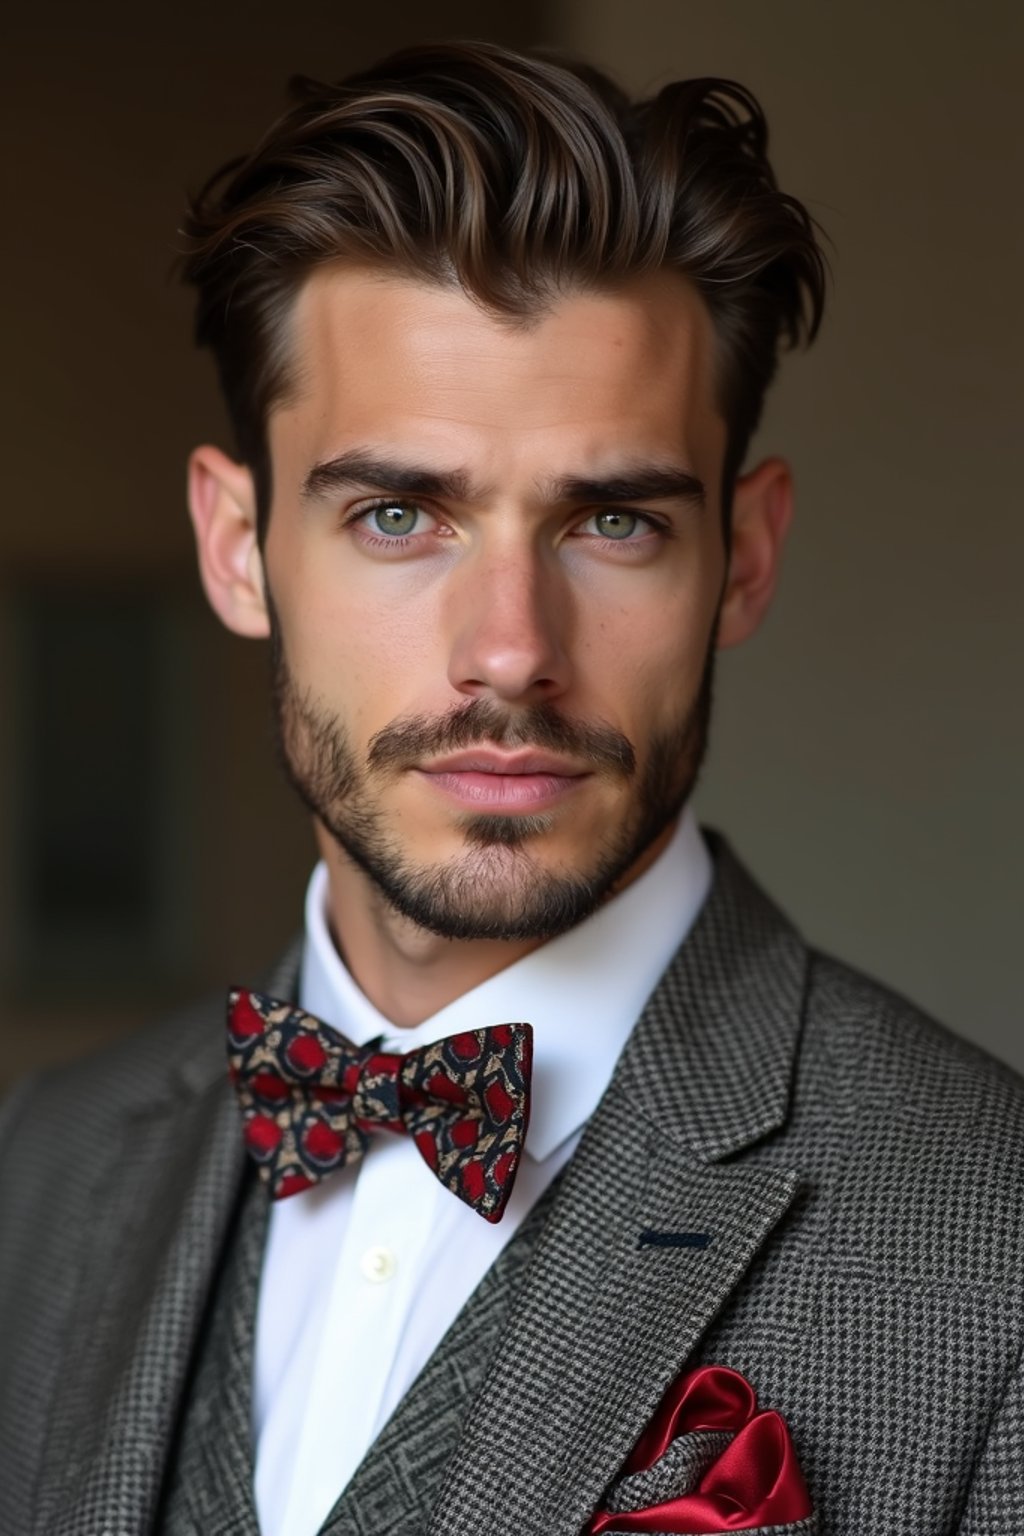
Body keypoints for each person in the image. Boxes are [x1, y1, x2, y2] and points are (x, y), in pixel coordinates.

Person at [0, 39, 1021, 1536]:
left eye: (611, 522)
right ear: (238, 544)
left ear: (742, 555)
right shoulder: (40, 1169)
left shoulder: (991, 1253)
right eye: (400, 514)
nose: (509, 653)